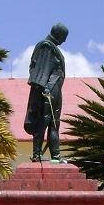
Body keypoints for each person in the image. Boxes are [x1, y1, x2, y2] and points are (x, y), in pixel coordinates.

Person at [23, 23, 68, 162]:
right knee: (44, 120)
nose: (65, 40)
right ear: (58, 34)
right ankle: (37, 154)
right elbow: (40, 72)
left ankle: (55, 155)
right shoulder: (46, 45)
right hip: (48, 90)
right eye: (64, 37)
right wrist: (46, 90)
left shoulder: (52, 47)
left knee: (55, 123)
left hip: (55, 89)